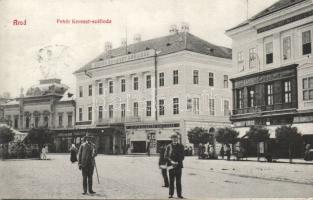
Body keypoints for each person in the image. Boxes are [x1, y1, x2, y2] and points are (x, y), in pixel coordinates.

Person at [165, 133, 185, 199]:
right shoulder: (168, 146)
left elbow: (182, 156)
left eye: (175, 138)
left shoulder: (181, 146)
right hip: (171, 166)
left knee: (178, 181)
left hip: (178, 166)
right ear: (171, 139)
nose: (174, 139)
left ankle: (179, 195)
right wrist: (171, 161)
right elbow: (166, 156)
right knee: (171, 181)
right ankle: (171, 194)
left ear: (177, 139)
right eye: (173, 138)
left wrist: (177, 162)